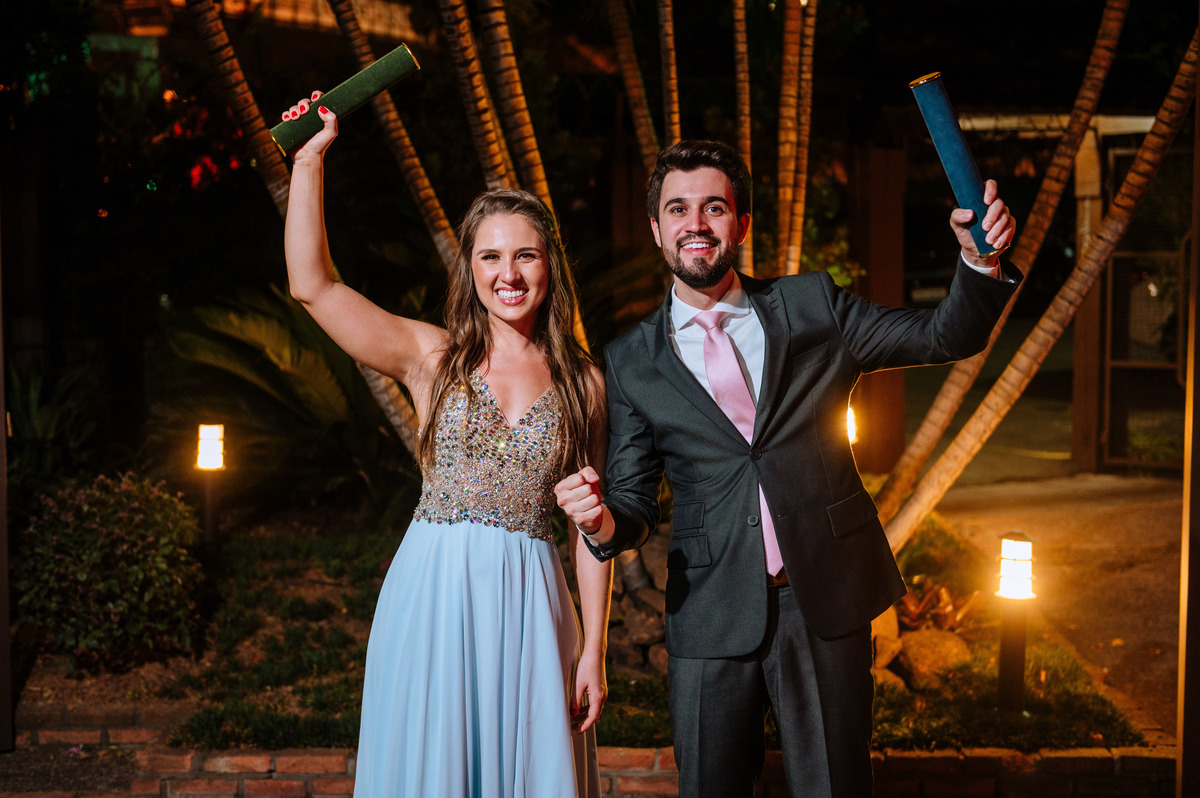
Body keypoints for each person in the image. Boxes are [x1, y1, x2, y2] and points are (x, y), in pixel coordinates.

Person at [555, 139, 1020, 797]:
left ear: (741, 224)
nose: (696, 223)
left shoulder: (812, 306)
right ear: (657, 228)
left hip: (821, 599)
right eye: (678, 209)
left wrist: (979, 259)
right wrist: (599, 519)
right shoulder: (631, 360)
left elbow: (946, 335)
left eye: (714, 207)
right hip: (709, 612)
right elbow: (631, 501)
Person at [282, 92, 612, 797]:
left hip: (533, 603)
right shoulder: (431, 357)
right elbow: (313, 286)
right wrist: (309, 162)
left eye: (525, 255)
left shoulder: (585, 384)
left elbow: (590, 528)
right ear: (470, 268)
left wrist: (595, 649)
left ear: (550, 265)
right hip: (433, 592)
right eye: (490, 256)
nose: (508, 274)